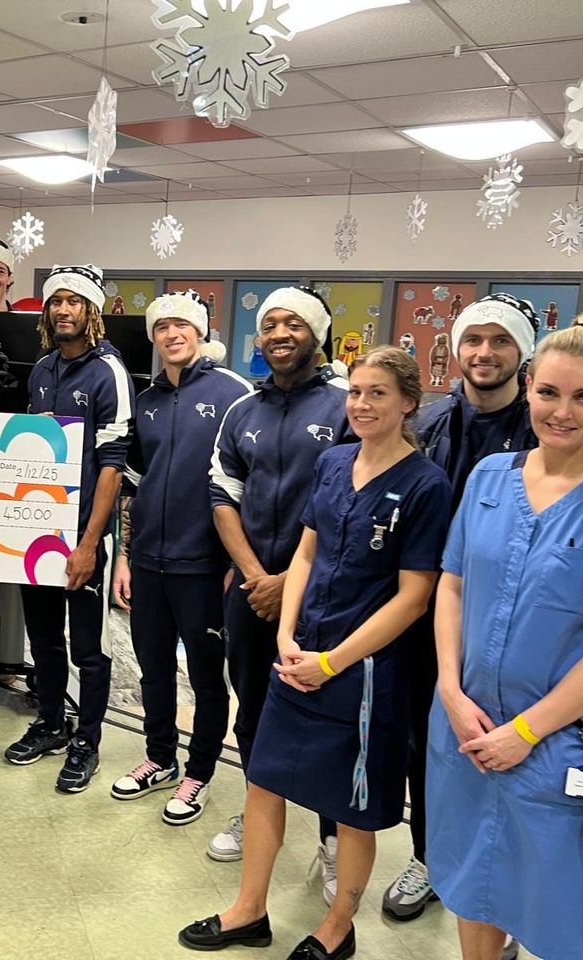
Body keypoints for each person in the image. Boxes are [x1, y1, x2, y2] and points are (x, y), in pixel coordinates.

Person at [180, 346, 451, 958]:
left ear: (409, 403)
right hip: (299, 653)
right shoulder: (333, 463)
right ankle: (249, 910)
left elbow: (414, 598)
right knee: (263, 780)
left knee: (351, 809)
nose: (362, 404)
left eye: (378, 393)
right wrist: (286, 636)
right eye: (355, 392)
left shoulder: (425, 485)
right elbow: (307, 552)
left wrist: (333, 662)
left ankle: (337, 927)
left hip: (365, 670)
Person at [427, 316, 583, 960]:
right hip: (468, 727)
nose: (562, 412)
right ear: (530, 387)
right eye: (549, 393)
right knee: (471, 880)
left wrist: (526, 732)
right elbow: (452, 587)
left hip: (562, 744)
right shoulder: (489, 478)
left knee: (561, 907)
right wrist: (450, 691)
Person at [381, 293, 540, 931]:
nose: (484, 352)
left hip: (511, 624)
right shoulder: (431, 422)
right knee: (429, 747)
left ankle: (502, 894)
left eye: (500, 340)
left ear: (522, 351)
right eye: (473, 339)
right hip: (428, 614)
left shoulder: (542, 429)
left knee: (508, 751)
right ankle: (431, 856)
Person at [206, 287, 349, 896]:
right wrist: (256, 577)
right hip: (252, 591)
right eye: (270, 325)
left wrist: (290, 581)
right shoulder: (243, 410)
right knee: (254, 709)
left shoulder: (347, 406)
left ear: (316, 335)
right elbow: (222, 495)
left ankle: (333, 838)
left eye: (294, 324)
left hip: (323, 597)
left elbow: (355, 508)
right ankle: (258, 811)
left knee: (324, 718)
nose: (280, 334)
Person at [110, 292, 251, 825]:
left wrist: (236, 564)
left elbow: (247, 487)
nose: (172, 334)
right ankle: (160, 757)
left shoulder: (233, 393)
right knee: (153, 669)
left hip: (205, 565)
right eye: (162, 327)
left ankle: (200, 772)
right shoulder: (145, 400)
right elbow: (133, 484)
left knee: (207, 676)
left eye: (182, 325)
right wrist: (125, 556)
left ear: (200, 331)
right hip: (148, 560)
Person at [4, 264, 133, 793]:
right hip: (40, 533)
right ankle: (52, 723)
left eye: (73, 301)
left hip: (85, 535)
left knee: (88, 647)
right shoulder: (42, 370)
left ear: (91, 310)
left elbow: (113, 467)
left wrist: (88, 545)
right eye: (55, 301)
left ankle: (88, 740)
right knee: (43, 638)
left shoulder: (108, 373)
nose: (62, 310)